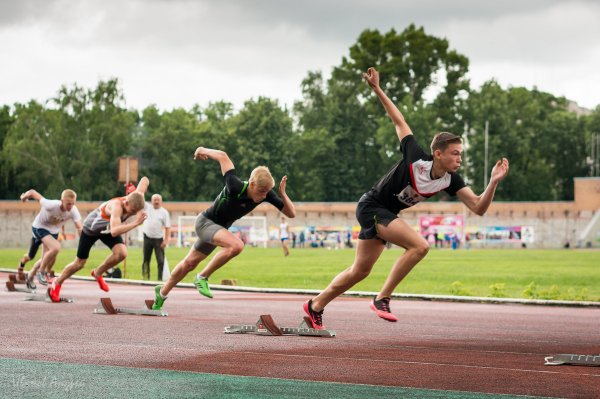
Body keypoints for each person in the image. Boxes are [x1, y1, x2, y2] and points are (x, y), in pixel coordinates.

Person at [303, 67, 509, 330]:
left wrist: (492, 182)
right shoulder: (416, 156)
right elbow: (398, 120)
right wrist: (377, 89)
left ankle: (314, 306)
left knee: (359, 271)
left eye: (461, 154)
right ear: (437, 153)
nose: (459, 158)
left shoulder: (450, 180)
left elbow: (478, 207)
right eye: (455, 153)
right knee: (419, 246)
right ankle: (382, 298)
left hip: (387, 215)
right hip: (371, 207)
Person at [152, 146, 296, 310]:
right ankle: (202, 277)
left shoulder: (267, 194)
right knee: (236, 245)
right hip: (205, 223)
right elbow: (223, 156)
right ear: (253, 183)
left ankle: (161, 294)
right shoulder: (235, 186)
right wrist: (202, 150)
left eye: (267, 193)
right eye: (262, 191)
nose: (263, 196)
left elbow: (291, 213)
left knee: (189, 264)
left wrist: (283, 194)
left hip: (217, 229)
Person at [48, 177, 149, 302]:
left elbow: (145, 180)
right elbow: (115, 231)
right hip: (91, 230)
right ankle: (57, 282)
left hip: (106, 229)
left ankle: (97, 272)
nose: (134, 213)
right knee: (79, 263)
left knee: (122, 253)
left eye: (136, 211)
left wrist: (137, 192)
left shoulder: (136, 197)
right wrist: (136, 223)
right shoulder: (116, 207)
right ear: (126, 203)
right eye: (132, 211)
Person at [18, 189, 82, 289]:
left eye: (73, 204)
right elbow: (33, 192)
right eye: (68, 204)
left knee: (47, 258)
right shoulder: (51, 205)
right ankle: (41, 272)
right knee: (56, 247)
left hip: (53, 232)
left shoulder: (73, 210)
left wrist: (84, 241)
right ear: (62, 200)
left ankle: (30, 277)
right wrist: (24, 197)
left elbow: (79, 227)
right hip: (39, 227)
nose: (70, 206)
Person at [141, 194, 172, 280]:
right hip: (147, 237)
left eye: (158, 200)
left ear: (161, 201)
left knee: (160, 261)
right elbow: (141, 198)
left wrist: (166, 241)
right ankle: (145, 278)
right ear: (151, 201)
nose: (156, 201)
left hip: (159, 240)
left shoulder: (164, 212)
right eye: (155, 199)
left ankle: (159, 279)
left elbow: (167, 227)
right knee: (146, 260)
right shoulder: (147, 208)